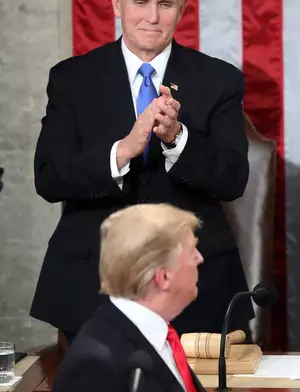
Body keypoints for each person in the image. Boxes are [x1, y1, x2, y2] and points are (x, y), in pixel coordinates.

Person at [31, 0, 253, 345]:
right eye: (140, 2)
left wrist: (177, 139)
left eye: (165, 4)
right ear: (117, 5)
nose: (152, 17)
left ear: (182, 10)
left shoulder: (219, 79)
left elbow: (233, 179)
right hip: (90, 284)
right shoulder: (71, 78)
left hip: (195, 287)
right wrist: (124, 150)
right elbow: (49, 177)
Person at [52, 204, 206, 392]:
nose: (200, 258)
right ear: (163, 277)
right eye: (192, 252)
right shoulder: (96, 363)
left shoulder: (159, 337)